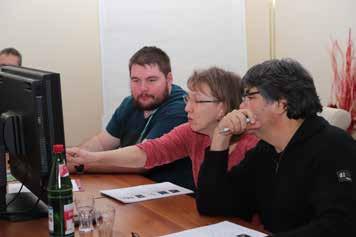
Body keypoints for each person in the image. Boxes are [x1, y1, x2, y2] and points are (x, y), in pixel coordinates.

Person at [196, 59, 356, 236]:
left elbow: (339, 226)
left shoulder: (335, 147)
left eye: (249, 97)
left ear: (281, 104)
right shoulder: (266, 150)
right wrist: (220, 137)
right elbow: (211, 204)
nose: (241, 107)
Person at [67, 67, 258, 189]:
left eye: (197, 101)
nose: (187, 108)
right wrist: (89, 157)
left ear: (222, 108)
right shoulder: (191, 133)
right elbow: (147, 152)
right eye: (187, 99)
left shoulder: (252, 145)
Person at [67, 46, 194, 189]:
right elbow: (101, 143)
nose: (143, 88)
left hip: (173, 200)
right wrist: (72, 158)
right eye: (136, 80)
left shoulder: (180, 108)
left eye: (151, 80)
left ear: (169, 79)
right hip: (135, 189)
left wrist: (81, 165)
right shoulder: (131, 103)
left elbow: (143, 162)